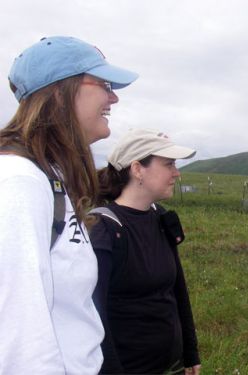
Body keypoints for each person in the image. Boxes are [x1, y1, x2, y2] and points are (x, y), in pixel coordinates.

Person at [0, 36, 138, 374]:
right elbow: (18, 336)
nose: (114, 97)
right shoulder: (19, 181)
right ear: (60, 91)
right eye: (104, 84)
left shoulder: (50, 178)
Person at [89, 129, 201, 375]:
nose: (177, 173)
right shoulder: (105, 229)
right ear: (138, 169)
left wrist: (190, 352)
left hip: (172, 365)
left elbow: (177, 289)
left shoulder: (161, 217)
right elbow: (95, 316)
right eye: (169, 164)